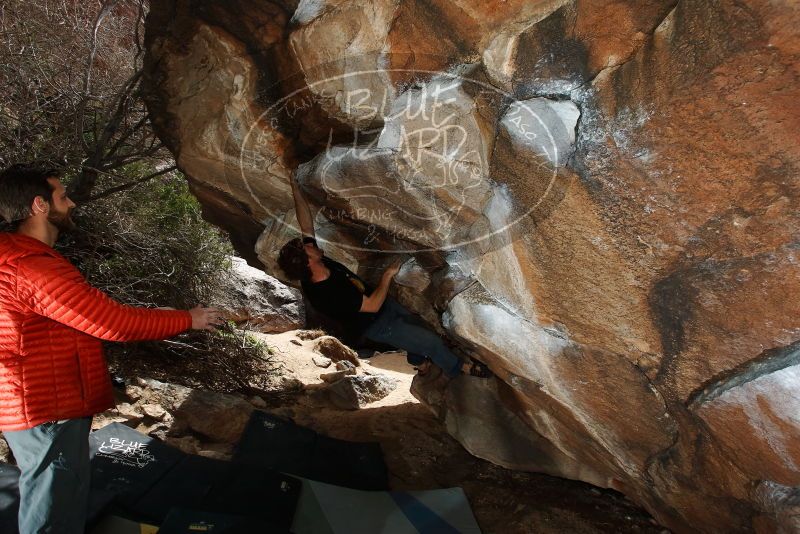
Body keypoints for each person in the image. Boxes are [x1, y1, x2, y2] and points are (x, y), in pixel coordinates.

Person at [0, 163, 223, 534]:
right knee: (54, 501)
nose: (71, 204)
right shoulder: (31, 266)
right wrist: (189, 318)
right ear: (39, 206)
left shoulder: (12, 257)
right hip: (46, 405)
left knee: (50, 491)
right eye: (63, 196)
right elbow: (111, 322)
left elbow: (83, 314)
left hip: (29, 398)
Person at [277, 172, 491, 379]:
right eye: (307, 248)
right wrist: (387, 276)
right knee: (430, 341)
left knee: (415, 326)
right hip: (375, 323)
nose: (309, 244)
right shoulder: (328, 293)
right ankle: (460, 367)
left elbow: (306, 226)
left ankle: (418, 361)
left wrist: (295, 187)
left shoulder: (314, 264)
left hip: (380, 304)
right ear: (308, 261)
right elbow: (371, 306)